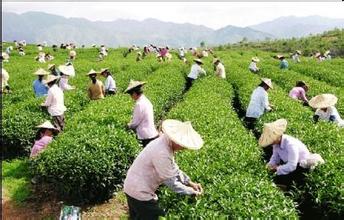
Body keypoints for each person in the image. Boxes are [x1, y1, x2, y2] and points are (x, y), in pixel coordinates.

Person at [124, 119, 204, 219]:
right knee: (157, 216)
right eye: (183, 146)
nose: (184, 149)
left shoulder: (165, 142)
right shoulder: (162, 152)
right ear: (176, 141)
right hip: (139, 191)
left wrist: (190, 182)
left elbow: (173, 168)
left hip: (133, 185)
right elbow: (172, 183)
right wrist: (192, 192)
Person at [259, 119, 324, 190]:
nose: (271, 143)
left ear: (277, 136)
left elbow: (292, 165)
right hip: (290, 165)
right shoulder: (276, 144)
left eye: (271, 140)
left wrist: (277, 168)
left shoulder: (290, 144)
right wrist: (269, 166)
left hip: (302, 167)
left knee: (287, 184)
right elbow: (275, 157)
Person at [125, 80, 159, 147]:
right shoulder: (146, 100)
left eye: (131, 94)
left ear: (134, 93)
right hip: (152, 133)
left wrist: (128, 126)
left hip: (146, 137)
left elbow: (135, 123)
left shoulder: (139, 104)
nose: (131, 97)